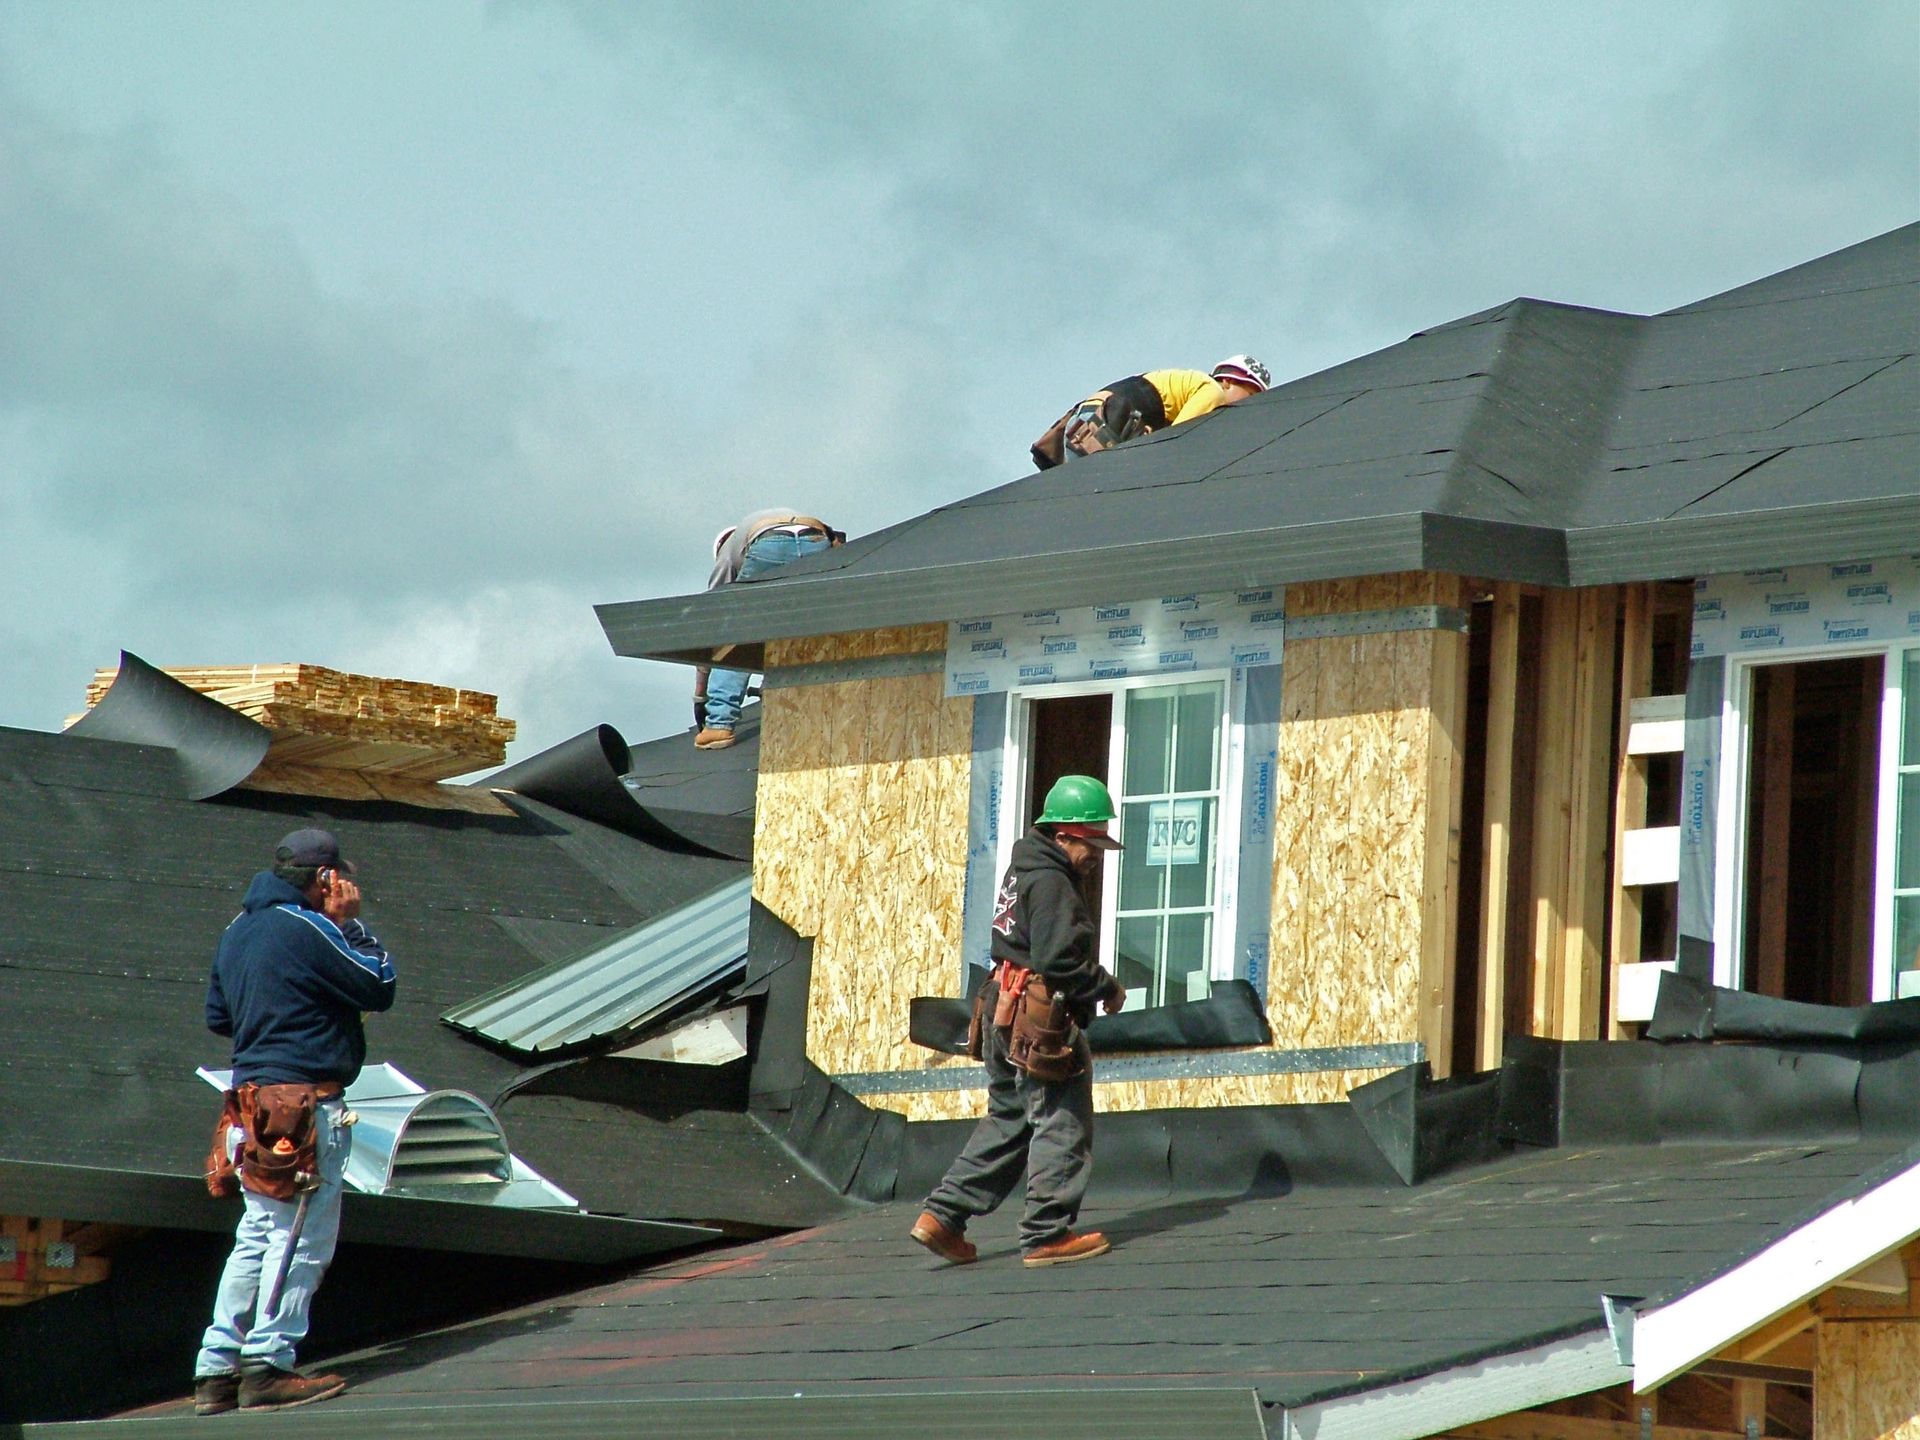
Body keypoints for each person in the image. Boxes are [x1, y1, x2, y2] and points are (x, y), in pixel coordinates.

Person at [191, 828, 396, 1414]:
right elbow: (378, 985)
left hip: (250, 1100)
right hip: (302, 1107)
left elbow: (218, 1015)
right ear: (326, 879)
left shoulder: (238, 929)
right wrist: (351, 925)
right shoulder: (311, 926)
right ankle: (269, 1365)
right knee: (298, 1239)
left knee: (255, 1237)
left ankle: (216, 1370)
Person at [910, 775, 1128, 1268]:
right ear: (1063, 835)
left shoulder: (1025, 866)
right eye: (1091, 843)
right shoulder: (1052, 880)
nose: (1096, 855)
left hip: (1001, 1006)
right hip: (1038, 1017)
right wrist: (1106, 988)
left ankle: (943, 1216)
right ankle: (1046, 1234)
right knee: (1061, 1117)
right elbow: (1059, 961)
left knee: (1009, 1117)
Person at [695, 509, 846, 749]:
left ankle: (719, 725)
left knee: (737, 633)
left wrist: (700, 695)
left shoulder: (727, 552)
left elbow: (714, 626)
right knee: (804, 626)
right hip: (816, 540)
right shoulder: (757, 524)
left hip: (772, 544)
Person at [1030, 354, 1273, 469]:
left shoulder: (1185, 383)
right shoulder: (1211, 390)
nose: (1249, 404)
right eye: (1250, 394)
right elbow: (1181, 437)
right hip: (1110, 422)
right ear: (1228, 381)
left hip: (1090, 421)